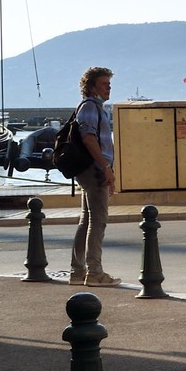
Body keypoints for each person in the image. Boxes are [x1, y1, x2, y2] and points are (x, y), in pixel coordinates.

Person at [69, 66, 119, 286]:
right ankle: (95, 273)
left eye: (109, 84)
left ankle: (77, 272)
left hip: (91, 169)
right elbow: (89, 138)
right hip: (94, 170)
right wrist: (106, 167)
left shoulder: (94, 107)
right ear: (91, 87)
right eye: (104, 84)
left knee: (87, 220)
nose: (108, 88)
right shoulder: (90, 106)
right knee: (98, 221)